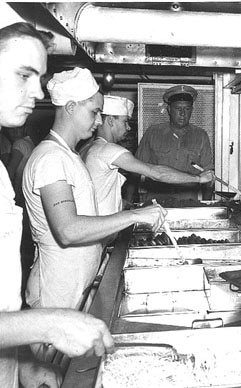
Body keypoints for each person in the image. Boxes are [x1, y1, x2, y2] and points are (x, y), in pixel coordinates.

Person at [0, 22, 113, 388]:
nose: (37, 92)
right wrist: (49, 322)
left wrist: (19, 366)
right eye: (23, 75)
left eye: (40, 78)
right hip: (52, 297)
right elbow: (67, 229)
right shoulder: (50, 158)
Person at [22, 67, 167, 313]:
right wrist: (133, 216)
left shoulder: (69, 155)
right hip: (57, 293)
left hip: (74, 287)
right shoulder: (51, 159)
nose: (99, 121)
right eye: (94, 112)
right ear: (70, 108)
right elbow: (68, 230)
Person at [83, 94, 213, 217]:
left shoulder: (89, 148)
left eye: (187, 109)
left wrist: (123, 203)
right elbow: (157, 173)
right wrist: (198, 179)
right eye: (125, 122)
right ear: (111, 121)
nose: (128, 128)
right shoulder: (109, 150)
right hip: (102, 227)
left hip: (186, 203)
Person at [136, 84, 214, 201]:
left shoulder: (201, 136)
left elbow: (208, 176)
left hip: (188, 202)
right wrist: (130, 202)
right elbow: (136, 170)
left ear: (192, 110)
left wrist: (208, 204)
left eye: (187, 109)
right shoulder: (153, 133)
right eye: (178, 109)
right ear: (169, 109)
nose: (183, 113)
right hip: (156, 200)